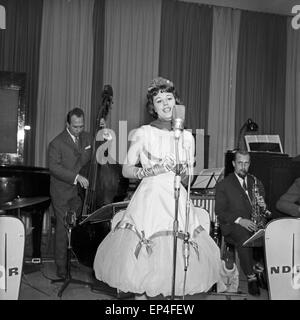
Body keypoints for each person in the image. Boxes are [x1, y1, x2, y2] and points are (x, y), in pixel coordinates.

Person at [93, 77, 226, 299]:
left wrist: (183, 172)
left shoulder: (186, 137)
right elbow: (126, 169)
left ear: (176, 102)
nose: (165, 104)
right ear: (152, 107)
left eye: (169, 98)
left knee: (175, 267)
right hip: (151, 198)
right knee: (144, 269)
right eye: (159, 100)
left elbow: (187, 178)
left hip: (176, 198)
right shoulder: (144, 133)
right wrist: (150, 171)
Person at [215, 150, 268, 296]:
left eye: (246, 163)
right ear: (233, 164)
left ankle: (262, 271)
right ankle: (251, 278)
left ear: (249, 164)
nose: (243, 167)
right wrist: (240, 220)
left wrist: (263, 206)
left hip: (254, 223)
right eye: (240, 163)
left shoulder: (256, 182)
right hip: (233, 225)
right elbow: (220, 211)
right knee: (244, 236)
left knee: (270, 234)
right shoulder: (223, 185)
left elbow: (262, 208)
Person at [48, 107, 92, 278]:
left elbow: (98, 152)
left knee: (75, 226)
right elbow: (54, 168)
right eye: (75, 127)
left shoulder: (87, 137)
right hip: (62, 191)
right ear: (68, 124)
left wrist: (103, 131)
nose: (79, 130)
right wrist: (76, 177)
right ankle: (60, 265)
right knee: (62, 227)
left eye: (81, 126)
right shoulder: (56, 143)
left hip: (80, 192)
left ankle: (73, 258)